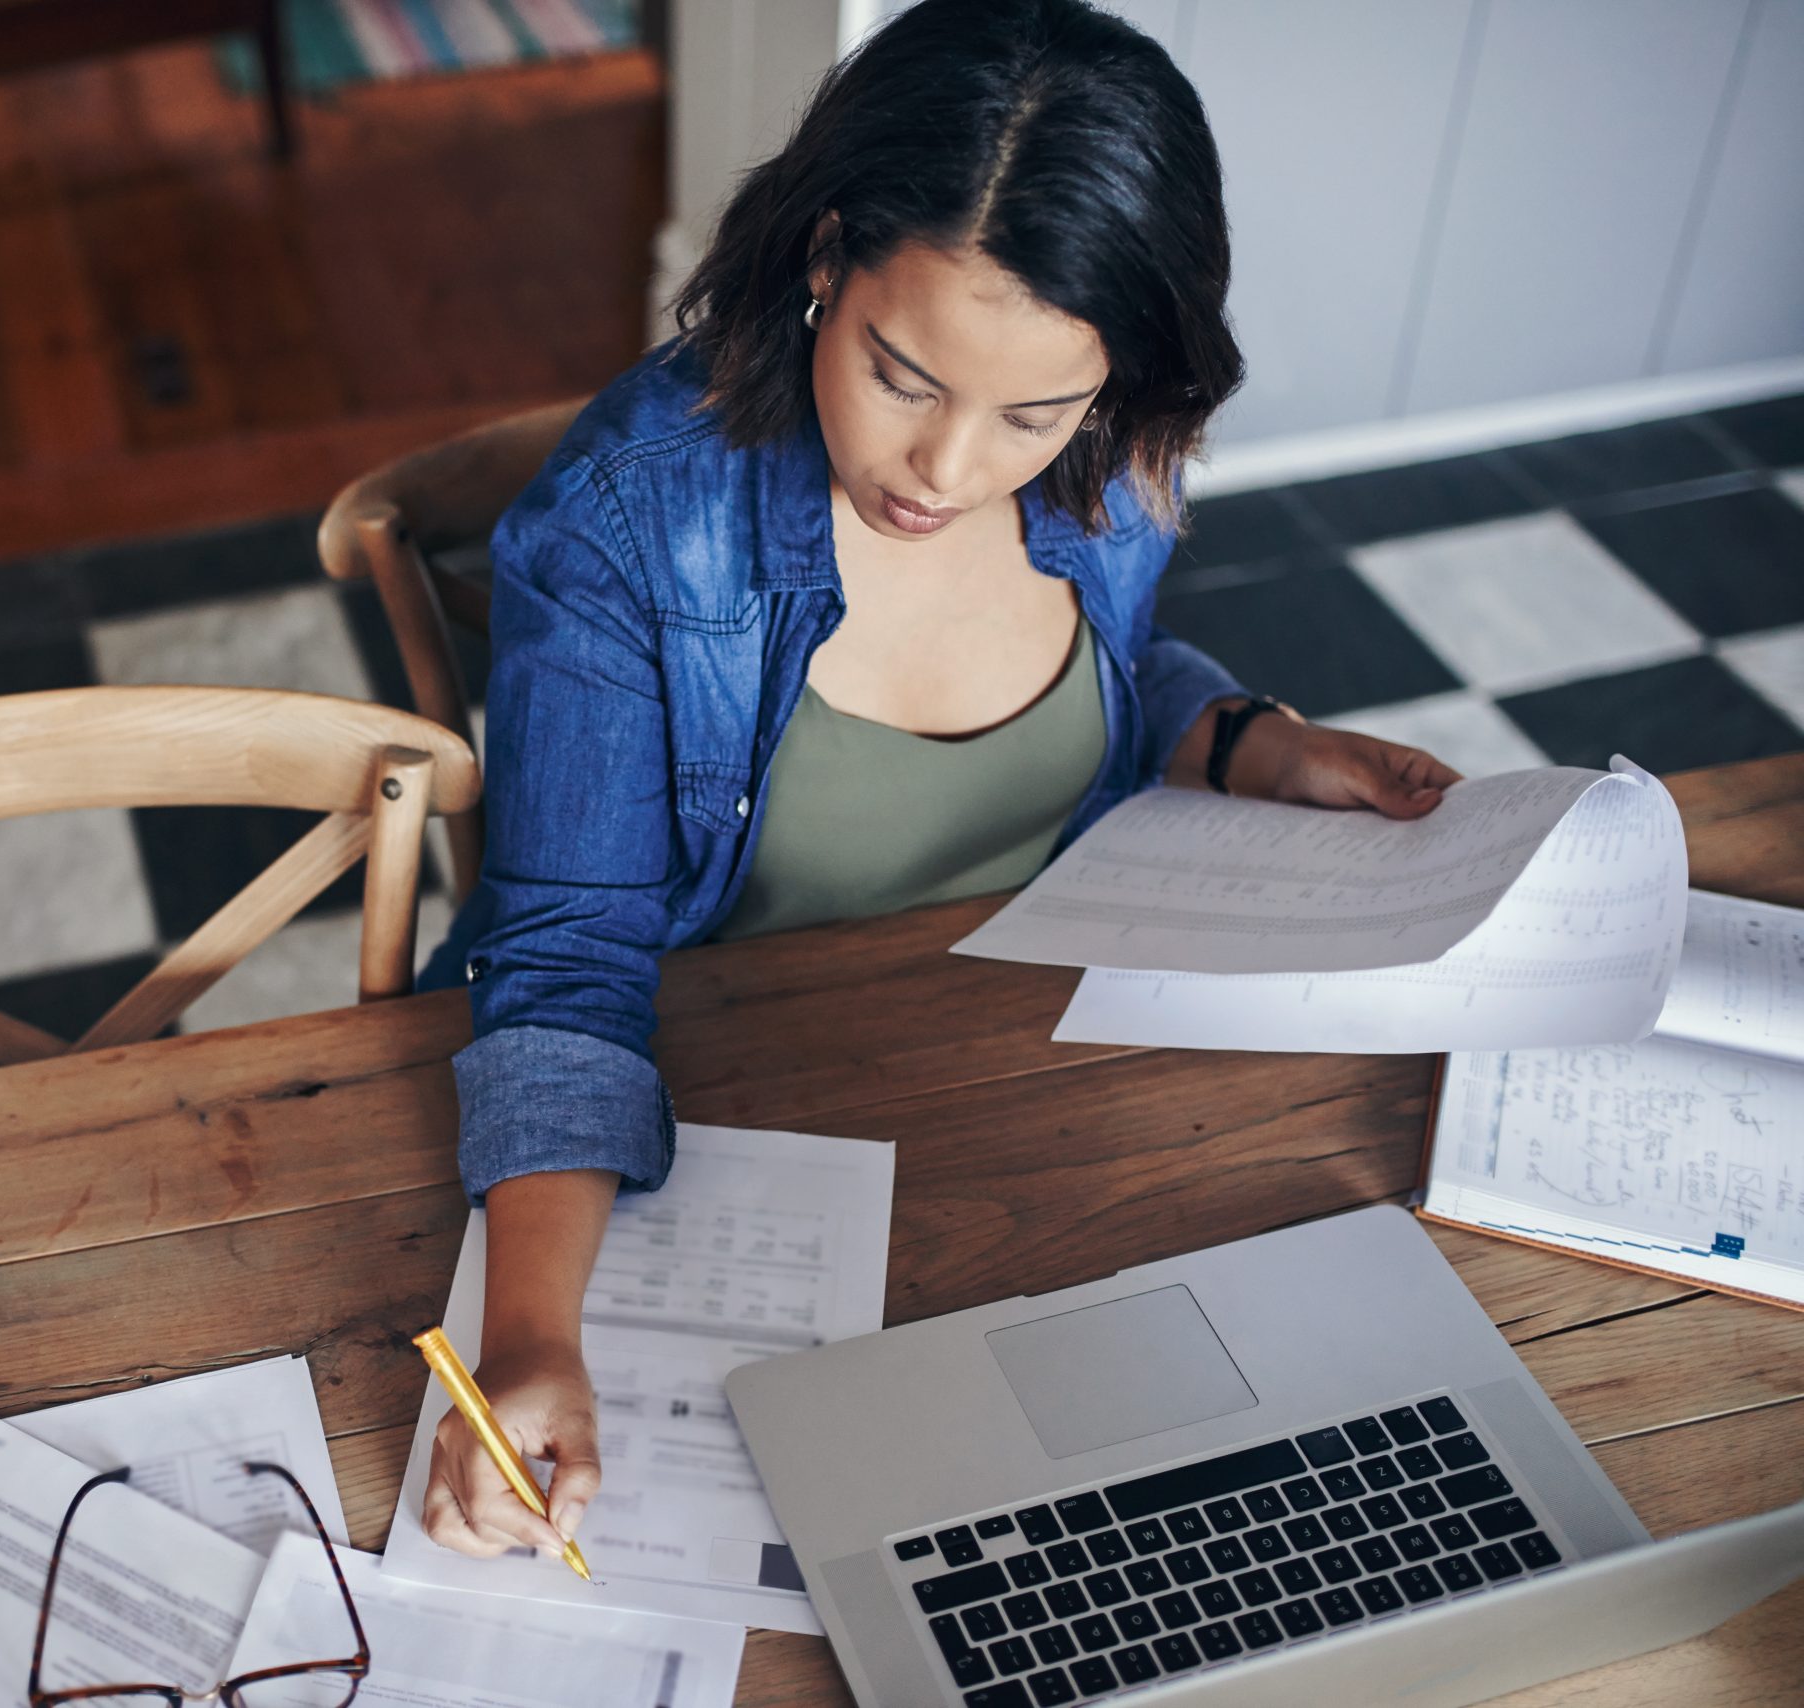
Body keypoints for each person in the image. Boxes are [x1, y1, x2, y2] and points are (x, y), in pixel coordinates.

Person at [412, 0, 1461, 1566]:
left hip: (1051, 1113)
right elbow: (563, 968)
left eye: (1032, 413)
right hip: (745, 1152)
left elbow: (1099, 689)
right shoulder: (631, 523)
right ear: (825, 257)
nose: (950, 470)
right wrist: (535, 1345)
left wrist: (1243, 740)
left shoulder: (1116, 454)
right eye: (904, 377)